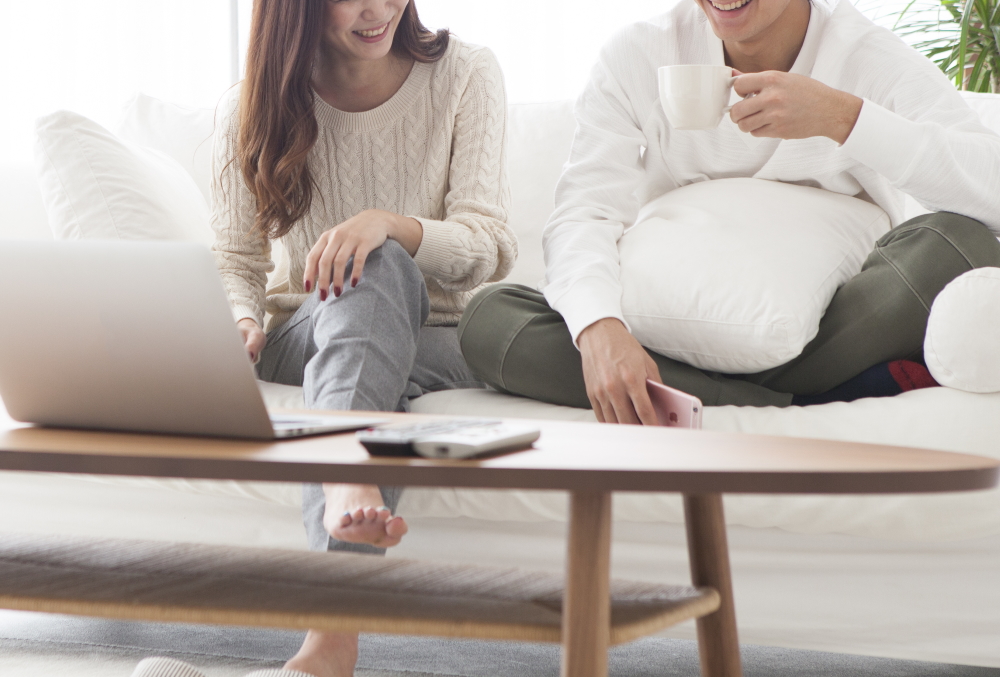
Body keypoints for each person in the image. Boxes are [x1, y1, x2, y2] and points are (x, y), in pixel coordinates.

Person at [458, 0, 1000, 425]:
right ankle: (809, 399)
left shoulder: (862, 56)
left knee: (960, 245)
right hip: (666, 325)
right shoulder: (639, 53)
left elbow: (989, 185)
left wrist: (842, 117)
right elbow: (585, 210)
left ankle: (706, 399)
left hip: (830, 327)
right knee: (489, 321)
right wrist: (601, 331)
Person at [210, 0, 513, 675]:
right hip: (310, 332)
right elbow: (238, 260)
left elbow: (489, 245)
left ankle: (324, 651)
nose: (377, 8)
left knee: (379, 283)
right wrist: (242, 319)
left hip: (439, 336)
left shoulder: (466, 75)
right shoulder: (252, 104)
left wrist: (388, 225)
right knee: (366, 308)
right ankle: (347, 494)